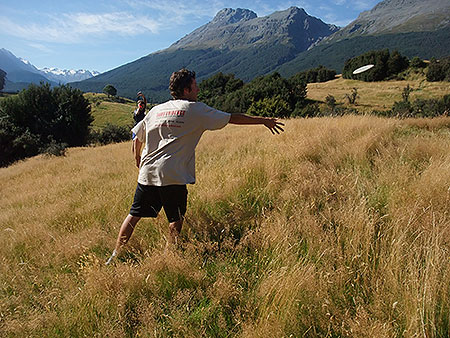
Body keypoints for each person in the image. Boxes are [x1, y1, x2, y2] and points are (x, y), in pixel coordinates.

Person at [106, 68, 284, 265]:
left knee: (134, 215)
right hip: (172, 173)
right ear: (186, 90)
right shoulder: (195, 109)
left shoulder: (156, 110)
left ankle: (115, 256)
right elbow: (232, 117)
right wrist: (263, 121)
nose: (198, 89)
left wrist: (137, 158)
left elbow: (137, 135)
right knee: (175, 218)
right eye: (195, 85)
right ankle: (169, 257)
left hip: (147, 172)